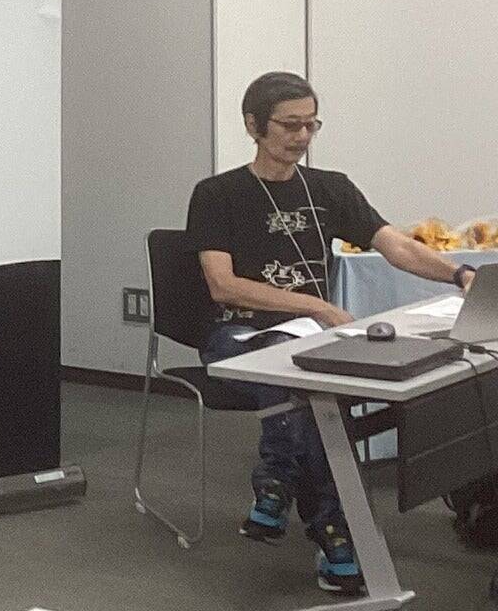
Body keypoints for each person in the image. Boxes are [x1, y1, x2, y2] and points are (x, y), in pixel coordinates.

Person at [188, 71, 472, 597]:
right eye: (289, 125)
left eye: (311, 125)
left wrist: (459, 275)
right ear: (253, 125)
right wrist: (316, 305)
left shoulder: (330, 188)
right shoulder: (218, 194)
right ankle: (333, 535)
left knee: (312, 389)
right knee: (300, 381)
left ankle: (279, 483)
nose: (301, 136)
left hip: (310, 338)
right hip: (238, 335)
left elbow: (395, 245)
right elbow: (222, 285)